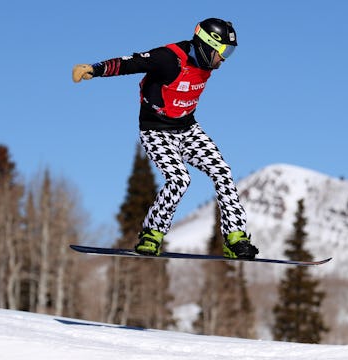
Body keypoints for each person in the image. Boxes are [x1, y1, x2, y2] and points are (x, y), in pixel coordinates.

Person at [72, 18, 258, 259]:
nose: (224, 59)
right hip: (156, 131)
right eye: (223, 52)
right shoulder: (169, 58)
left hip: (188, 130)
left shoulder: (206, 64)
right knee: (179, 179)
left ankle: (235, 238)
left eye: (229, 53)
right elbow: (132, 63)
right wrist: (95, 69)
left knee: (221, 171)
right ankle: (152, 234)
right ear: (207, 45)